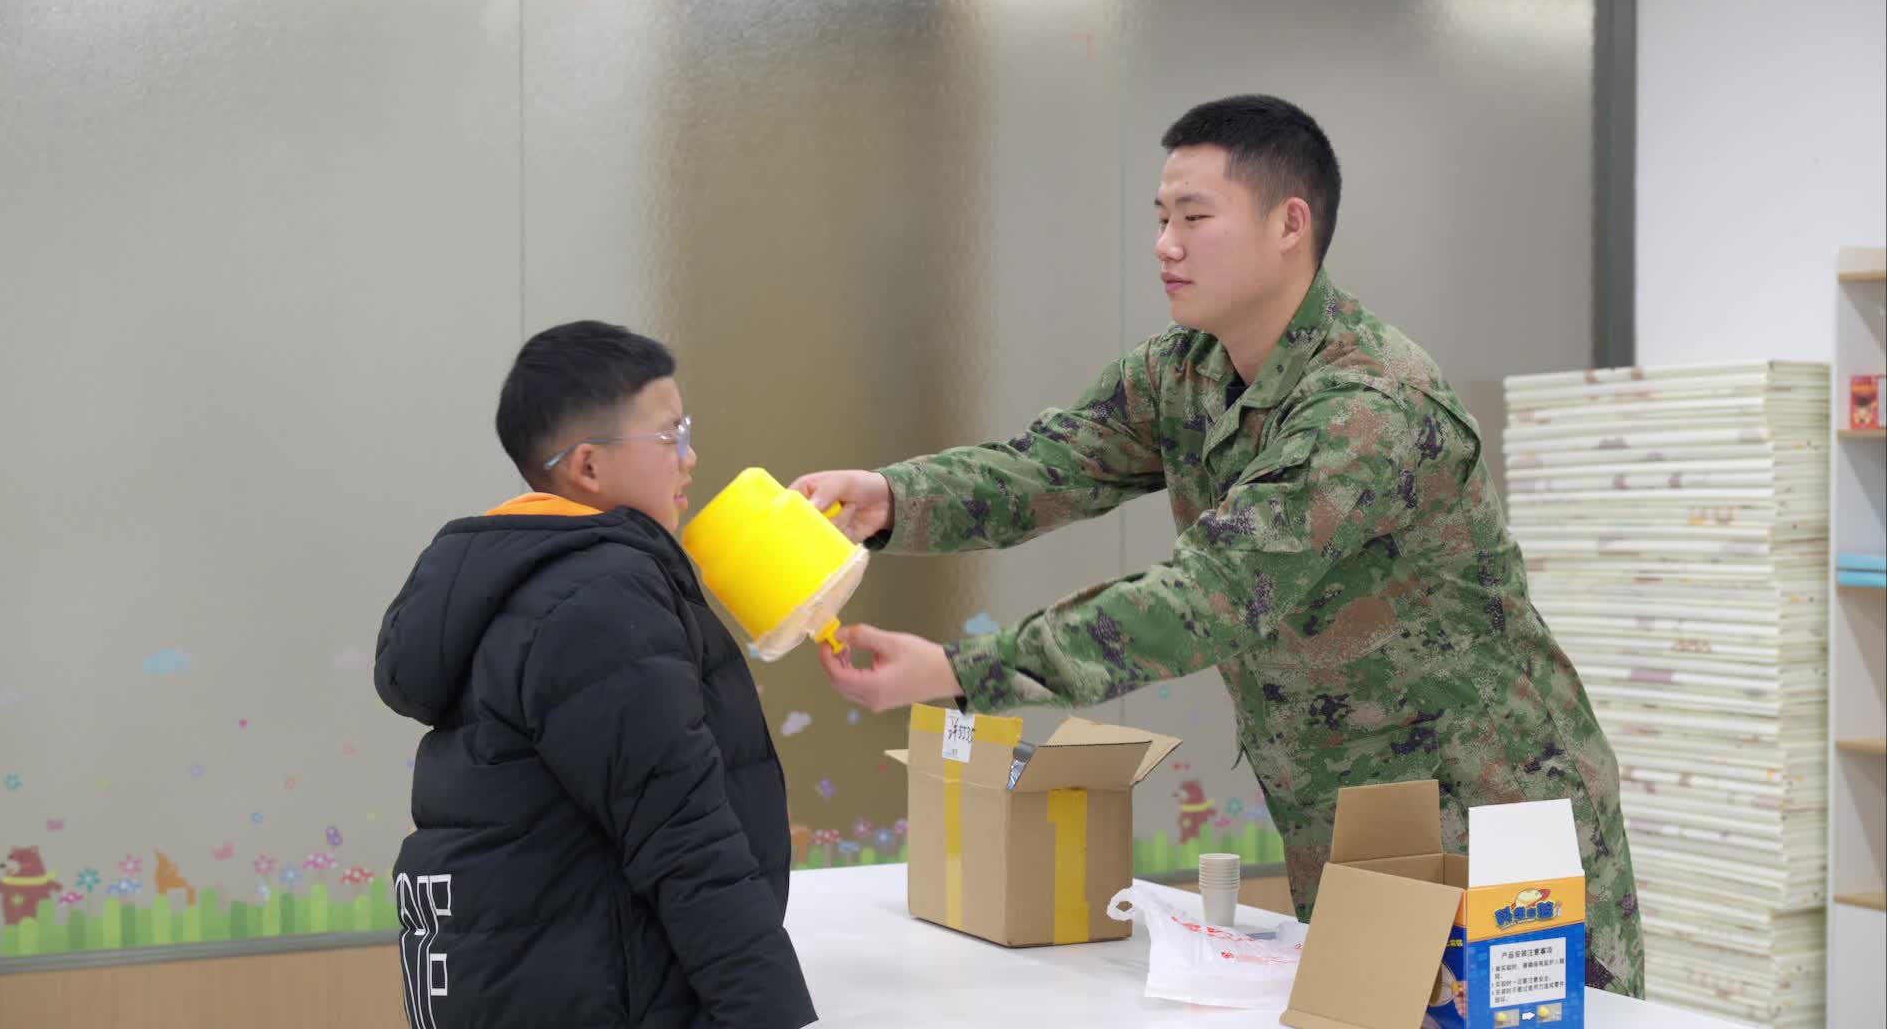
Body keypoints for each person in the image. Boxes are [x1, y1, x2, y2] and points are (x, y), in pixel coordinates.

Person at [795, 94, 1644, 997]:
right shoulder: (1185, 369)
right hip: (1347, 813)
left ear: (1290, 224)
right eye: (1161, 218)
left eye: (1195, 218)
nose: (1166, 244)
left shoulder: (1368, 407)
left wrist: (964, 671)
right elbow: (1050, 467)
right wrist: (892, 498)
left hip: (1487, 817)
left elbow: (1209, 597)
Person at [374, 322, 816, 1029]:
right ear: (587, 466)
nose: (690, 458)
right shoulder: (599, 600)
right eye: (670, 435)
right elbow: (686, 842)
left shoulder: (532, 583)